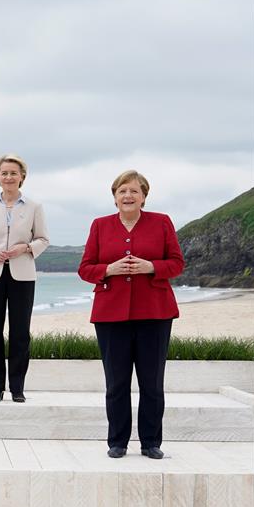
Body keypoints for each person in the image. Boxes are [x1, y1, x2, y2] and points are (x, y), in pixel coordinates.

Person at [78, 170, 184, 460]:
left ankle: (151, 442)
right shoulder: (100, 226)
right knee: (116, 382)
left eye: (134, 191)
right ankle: (118, 442)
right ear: (114, 197)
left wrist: (151, 267)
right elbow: (85, 268)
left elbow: (177, 263)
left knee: (152, 382)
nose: (128, 196)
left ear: (144, 197)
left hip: (155, 312)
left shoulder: (161, 223)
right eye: (122, 191)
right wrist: (107, 270)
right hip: (110, 315)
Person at [0, 154, 50, 403]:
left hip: (23, 275)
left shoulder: (34, 207)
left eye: (13, 173)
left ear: (22, 176)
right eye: (4, 173)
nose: (9, 177)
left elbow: (43, 239)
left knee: (20, 332)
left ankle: (17, 387)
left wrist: (24, 248)